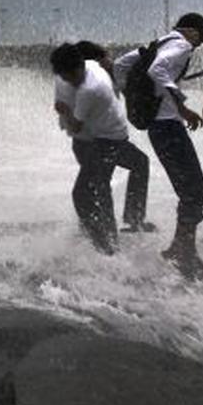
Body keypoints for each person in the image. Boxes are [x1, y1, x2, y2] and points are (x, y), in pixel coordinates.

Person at [114, 13, 203, 278]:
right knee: (196, 188)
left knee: (189, 188)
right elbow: (157, 70)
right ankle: (183, 252)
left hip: (157, 128)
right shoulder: (181, 44)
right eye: (199, 41)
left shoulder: (158, 42)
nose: (196, 47)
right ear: (193, 32)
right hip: (168, 125)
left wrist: (132, 97)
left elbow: (121, 65)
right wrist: (181, 105)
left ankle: (180, 248)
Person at [51, 43, 150, 254]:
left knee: (131, 168)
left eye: (72, 77)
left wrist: (65, 112)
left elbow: (73, 119)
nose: (69, 81)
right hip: (90, 141)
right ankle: (106, 244)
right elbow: (74, 122)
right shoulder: (75, 80)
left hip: (107, 139)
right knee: (95, 190)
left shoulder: (91, 85)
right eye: (65, 76)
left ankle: (112, 233)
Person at [74, 40, 155, 233]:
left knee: (138, 163)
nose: (111, 61)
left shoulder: (103, 77)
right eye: (106, 57)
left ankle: (130, 219)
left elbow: (133, 63)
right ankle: (105, 234)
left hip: (105, 142)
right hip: (96, 143)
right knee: (99, 185)